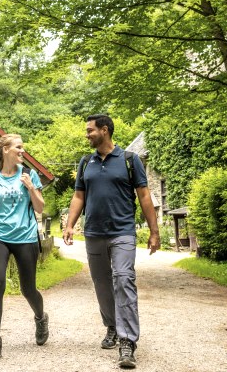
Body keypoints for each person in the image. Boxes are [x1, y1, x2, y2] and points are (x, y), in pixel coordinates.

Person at [62, 115, 160, 369]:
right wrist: (70, 224)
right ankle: (112, 327)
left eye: (90, 130)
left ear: (104, 130)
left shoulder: (130, 160)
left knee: (124, 279)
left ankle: (128, 341)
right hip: (93, 233)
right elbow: (78, 196)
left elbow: (145, 196)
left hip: (123, 232)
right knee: (102, 284)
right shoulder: (86, 162)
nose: (87, 135)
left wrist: (154, 231)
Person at [0, 133, 48, 363]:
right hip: (0, 236)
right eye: (18, 147)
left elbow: (40, 208)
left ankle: (40, 318)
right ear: (5, 151)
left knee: (27, 289)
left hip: (26, 237)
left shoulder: (29, 174)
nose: (22, 151)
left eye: (23, 147)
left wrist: (31, 188)